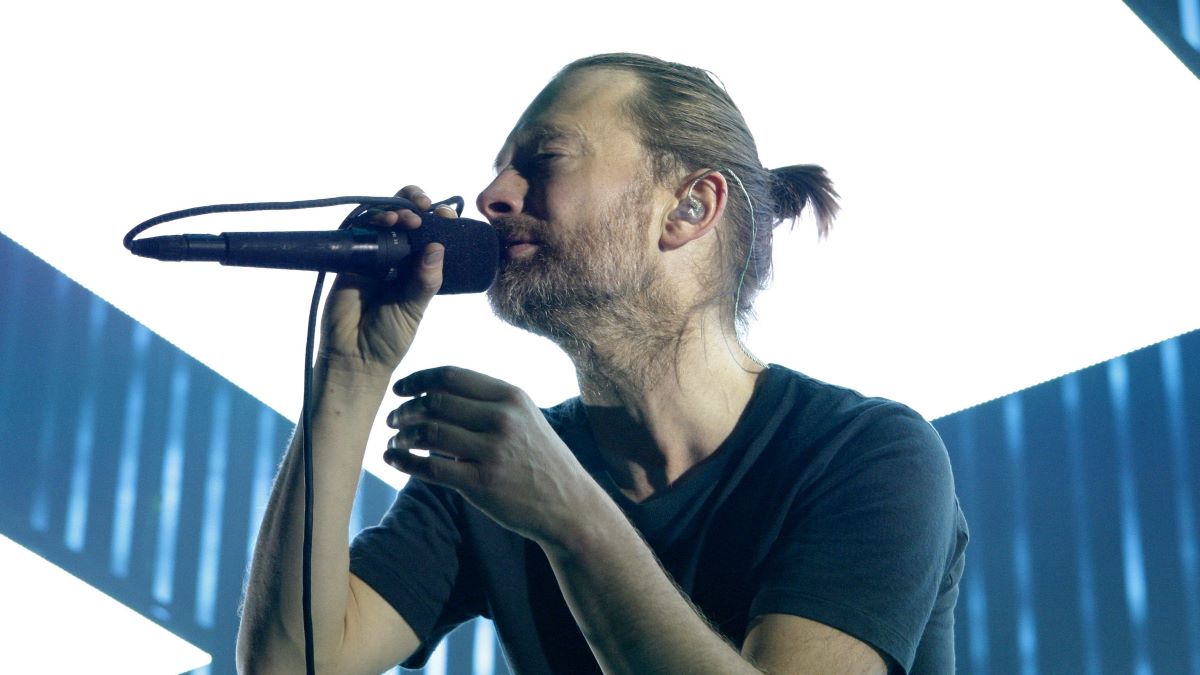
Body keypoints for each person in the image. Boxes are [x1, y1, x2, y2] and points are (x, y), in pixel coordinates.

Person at [236, 53, 967, 675]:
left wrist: (570, 517)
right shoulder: (492, 476)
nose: (494, 197)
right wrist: (348, 371)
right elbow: (290, 663)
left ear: (688, 207)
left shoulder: (866, 453)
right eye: (498, 173)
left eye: (543, 159)